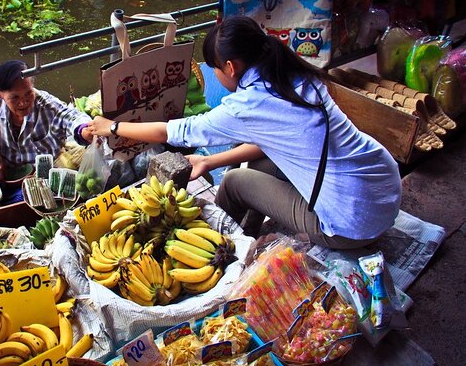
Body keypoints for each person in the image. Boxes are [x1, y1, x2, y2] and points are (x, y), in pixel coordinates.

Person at [87, 15, 401, 250]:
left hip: (349, 225)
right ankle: (249, 233)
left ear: (231, 67)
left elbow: (177, 131)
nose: (216, 75)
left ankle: (220, 251)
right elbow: (271, 144)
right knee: (259, 164)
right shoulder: (290, 73)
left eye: (215, 69)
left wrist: (112, 126)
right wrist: (209, 162)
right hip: (385, 189)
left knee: (237, 181)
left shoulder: (248, 105)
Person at [0, 60, 93, 201]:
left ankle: (2, 205)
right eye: (14, 97)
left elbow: (71, 116)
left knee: (27, 197)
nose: (23, 102)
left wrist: (83, 129)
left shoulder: (46, 104)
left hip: (32, 177)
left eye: (28, 93)